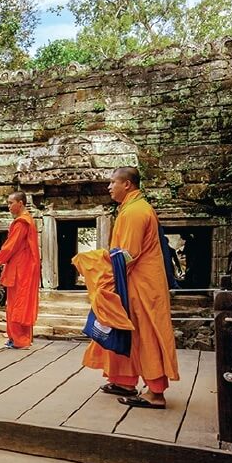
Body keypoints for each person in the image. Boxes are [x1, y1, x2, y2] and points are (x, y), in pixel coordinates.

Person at [85, 167, 179, 409]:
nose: (109, 187)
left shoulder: (135, 212)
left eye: (112, 182)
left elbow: (127, 255)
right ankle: (125, 381)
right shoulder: (130, 208)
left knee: (147, 335)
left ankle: (155, 393)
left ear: (127, 184)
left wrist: (99, 266)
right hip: (135, 283)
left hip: (142, 286)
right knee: (126, 331)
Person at [0, 192, 41, 349]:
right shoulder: (27, 220)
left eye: (11, 202)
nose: (8, 206)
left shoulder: (21, 222)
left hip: (21, 269)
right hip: (24, 267)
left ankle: (19, 340)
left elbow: (10, 247)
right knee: (21, 302)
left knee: (17, 304)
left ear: (21, 203)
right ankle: (21, 338)